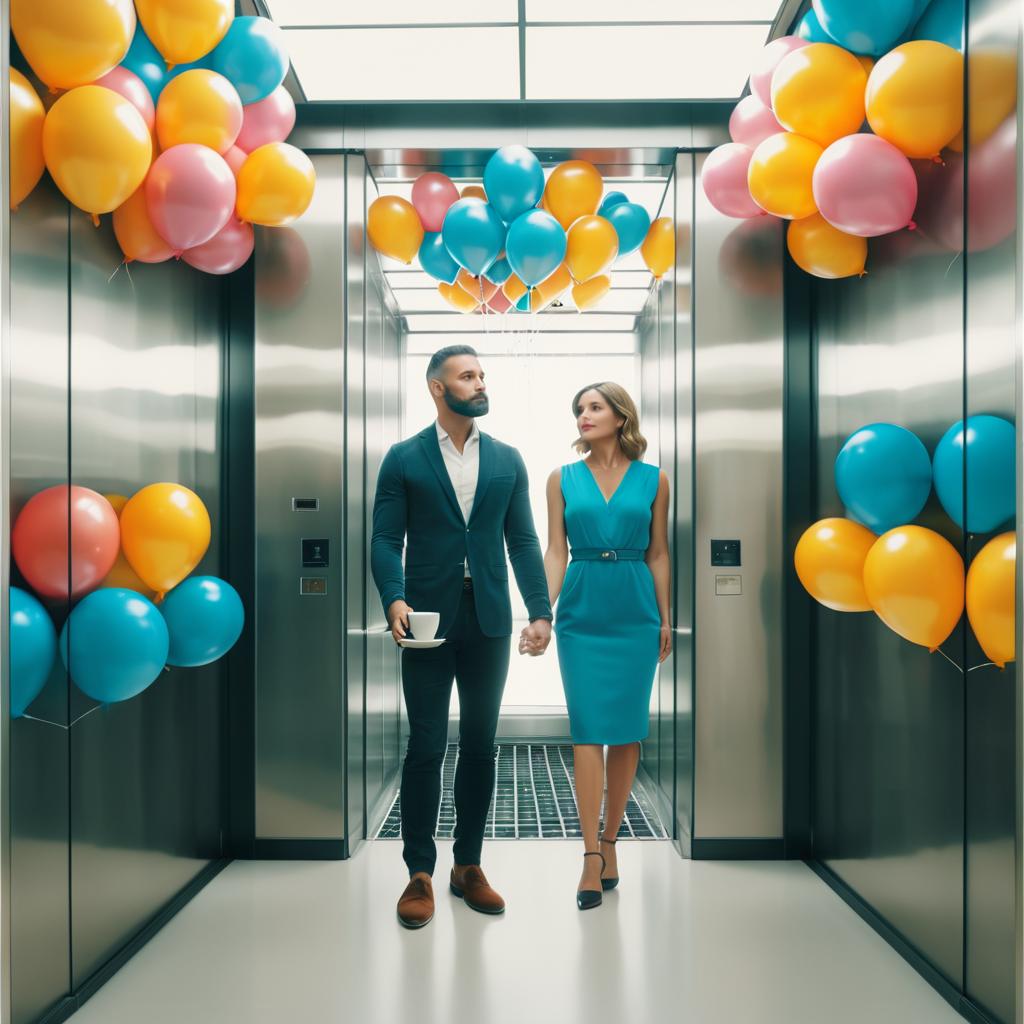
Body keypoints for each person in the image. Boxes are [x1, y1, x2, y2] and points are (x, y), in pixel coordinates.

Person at [371, 344, 553, 929]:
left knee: (480, 744)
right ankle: (418, 872)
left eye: (481, 375)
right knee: (425, 743)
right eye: (466, 375)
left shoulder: (507, 458)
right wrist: (394, 597)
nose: (478, 383)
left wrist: (539, 611)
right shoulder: (403, 457)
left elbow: (523, 541)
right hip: (425, 622)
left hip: (489, 619)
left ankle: (467, 865)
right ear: (436, 387)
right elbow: (383, 538)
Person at [521, 382, 671, 910]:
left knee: (627, 732)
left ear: (619, 414)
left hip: (635, 610)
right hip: (582, 610)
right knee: (587, 731)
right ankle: (589, 855)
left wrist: (665, 619)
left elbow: (658, 553)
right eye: (578, 409)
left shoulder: (656, 479)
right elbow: (556, 550)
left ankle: (612, 843)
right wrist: (542, 612)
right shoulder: (560, 479)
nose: (583, 416)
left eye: (593, 407)